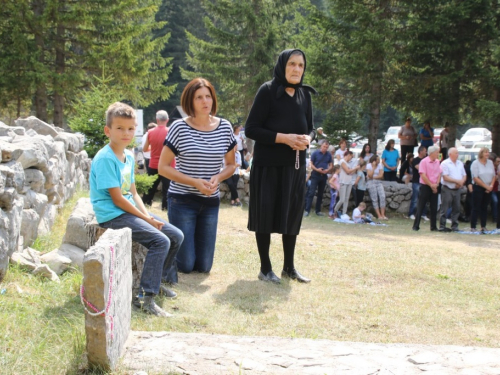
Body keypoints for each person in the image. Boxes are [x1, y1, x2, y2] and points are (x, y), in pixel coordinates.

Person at [90, 102, 184, 317]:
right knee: (160, 240)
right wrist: (146, 219)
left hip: (128, 210)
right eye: (120, 128)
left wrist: (148, 216)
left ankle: (156, 282)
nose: (126, 133)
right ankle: (144, 297)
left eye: (130, 129)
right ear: (108, 131)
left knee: (175, 235)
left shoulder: (129, 156)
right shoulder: (105, 158)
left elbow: (133, 194)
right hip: (112, 214)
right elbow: (117, 199)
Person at [245, 48, 316, 284]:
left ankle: (289, 267)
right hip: (268, 166)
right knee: (266, 214)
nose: (297, 69)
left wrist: (309, 139)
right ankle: (265, 268)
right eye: (292, 64)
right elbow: (251, 129)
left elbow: (311, 128)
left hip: (295, 167)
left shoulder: (304, 95)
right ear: (282, 65)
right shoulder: (267, 91)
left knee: (292, 214)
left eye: (301, 65)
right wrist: (283, 138)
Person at [158, 78, 236, 276]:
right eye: (199, 97)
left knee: (204, 267)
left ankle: (178, 245)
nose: (205, 101)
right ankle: (164, 246)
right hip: (182, 200)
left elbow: (231, 165)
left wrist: (217, 178)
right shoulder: (179, 128)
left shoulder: (225, 127)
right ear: (190, 102)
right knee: (185, 265)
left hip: (210, 202)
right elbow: (163, 167)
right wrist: (194, 182)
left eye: (208, 96)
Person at [142, 110, 172, 210]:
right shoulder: (170, 132)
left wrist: (153, 148)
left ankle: (146, 204)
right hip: (168, 165)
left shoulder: (150, 132)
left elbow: (145, 149)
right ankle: (165, 207)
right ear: (167, 120)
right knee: (167, 188)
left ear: (157, 120)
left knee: (150, 187)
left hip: (153, 164)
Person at [412, 145, 442, 231]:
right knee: (421, 205)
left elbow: (439, 173)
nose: (438, 154)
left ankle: (433, 226)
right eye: (437, 152)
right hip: (425, 186)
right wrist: (431, 185)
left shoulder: (437, 162)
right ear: (432, 153)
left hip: (434, 186)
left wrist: (436, 184)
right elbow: (423, 175)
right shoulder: (424, 162)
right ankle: (416, 225)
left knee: (434, 207)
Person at [439, 148, 466, 232]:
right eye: (456, 153)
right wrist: (457, 181)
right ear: (450, 154)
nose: (457, 155)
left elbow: (464, 175)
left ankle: (455, 226)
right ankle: (442, 226)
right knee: (445, 208)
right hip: (447, 188)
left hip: (457, 189)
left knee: (456, 208)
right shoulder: (445, 163)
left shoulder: (460, 163)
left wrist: (461, 182)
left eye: (458, 153)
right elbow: (445, 177)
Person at [470, 147, 496, 233]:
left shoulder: (490, 163)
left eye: (488, 152)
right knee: (476, 207)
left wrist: (491, 186)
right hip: (479, 187)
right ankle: (473, 226)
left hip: (489, 187)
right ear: (481, 153)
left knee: (484, 207)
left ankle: (483, 226)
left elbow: (494, 175)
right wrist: (486, 186)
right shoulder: (475, 163)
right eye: (486, 152)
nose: (487, 154)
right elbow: (475, 178)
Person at [304, 141, 333, 216]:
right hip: (315, 175)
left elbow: (331, 165)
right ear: (321, 146)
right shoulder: (315, 153)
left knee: (320, 194)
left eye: (326, 147)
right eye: (324, 147)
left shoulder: (328, 155)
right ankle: (307, 210)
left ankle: (318, 211)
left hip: (323, 176)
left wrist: (328, 170)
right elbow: (311, 163)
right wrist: (317, 169)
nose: (325, 148)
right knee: (311, 192)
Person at [334, 150, 358, 218]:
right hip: (343, 182)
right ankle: (335, 210)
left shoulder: (348, 164)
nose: (351, 158)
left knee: (346, 199)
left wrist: (353, 170)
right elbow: (347, 171)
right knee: (342, 199)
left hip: (349, 182)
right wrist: (355, 168)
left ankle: (344, 212)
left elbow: (351, 172)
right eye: (351, 156)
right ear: (348, 155)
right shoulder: (342, 161)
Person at [408, 146, 428, 220]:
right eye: (425, 151)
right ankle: (411, 213)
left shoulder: (427, 160)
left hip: (424, 182)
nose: (426, 152)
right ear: (421, 151)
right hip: (416, 181)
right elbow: (420, 168)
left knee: (424, 199)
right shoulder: (415, 160)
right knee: (415, 199)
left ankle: (423, 214)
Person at [366, 155, 387, 220]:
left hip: (378, 182)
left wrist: (373, 177)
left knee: (382, 196)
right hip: (371, 182)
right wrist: (374, 167)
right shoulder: (369, 165)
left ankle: (383, 214)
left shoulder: (380, 165)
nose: (379, 161)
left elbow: (381, 176)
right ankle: (379, 215)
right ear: (374, 160)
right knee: (374, 198)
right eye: (377, 159)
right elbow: (369, 175)